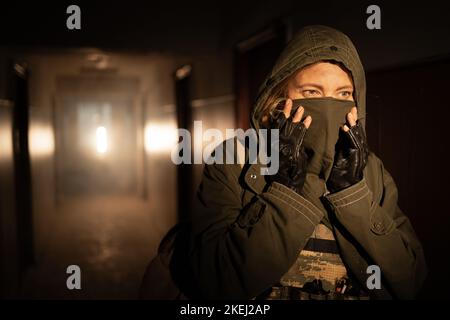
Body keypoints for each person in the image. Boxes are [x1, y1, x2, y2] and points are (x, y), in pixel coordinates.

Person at [140, 25, 427, 300]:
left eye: (343, 94)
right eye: (312, 92)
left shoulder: (371, 171)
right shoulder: (234, 161)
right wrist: (287, 192)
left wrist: (352, 194)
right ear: (278, 100)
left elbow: (408, 282)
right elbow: (215, 281)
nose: (329, 106)